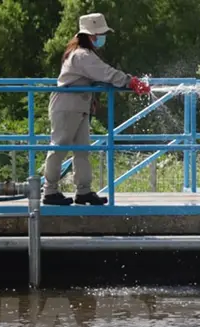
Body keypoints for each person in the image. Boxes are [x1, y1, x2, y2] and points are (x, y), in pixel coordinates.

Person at [43, 13, 151, 206]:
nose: (102, 38)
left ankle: (83, 191)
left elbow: (97, 74)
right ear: (90, 36)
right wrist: (130, 81)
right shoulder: (82, 55)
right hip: (68, 105)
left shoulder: (84, 53)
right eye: (100, 34)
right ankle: (49, 191)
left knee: (82, 149)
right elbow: (105, 72)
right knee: (59, 147)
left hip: (79, 105)